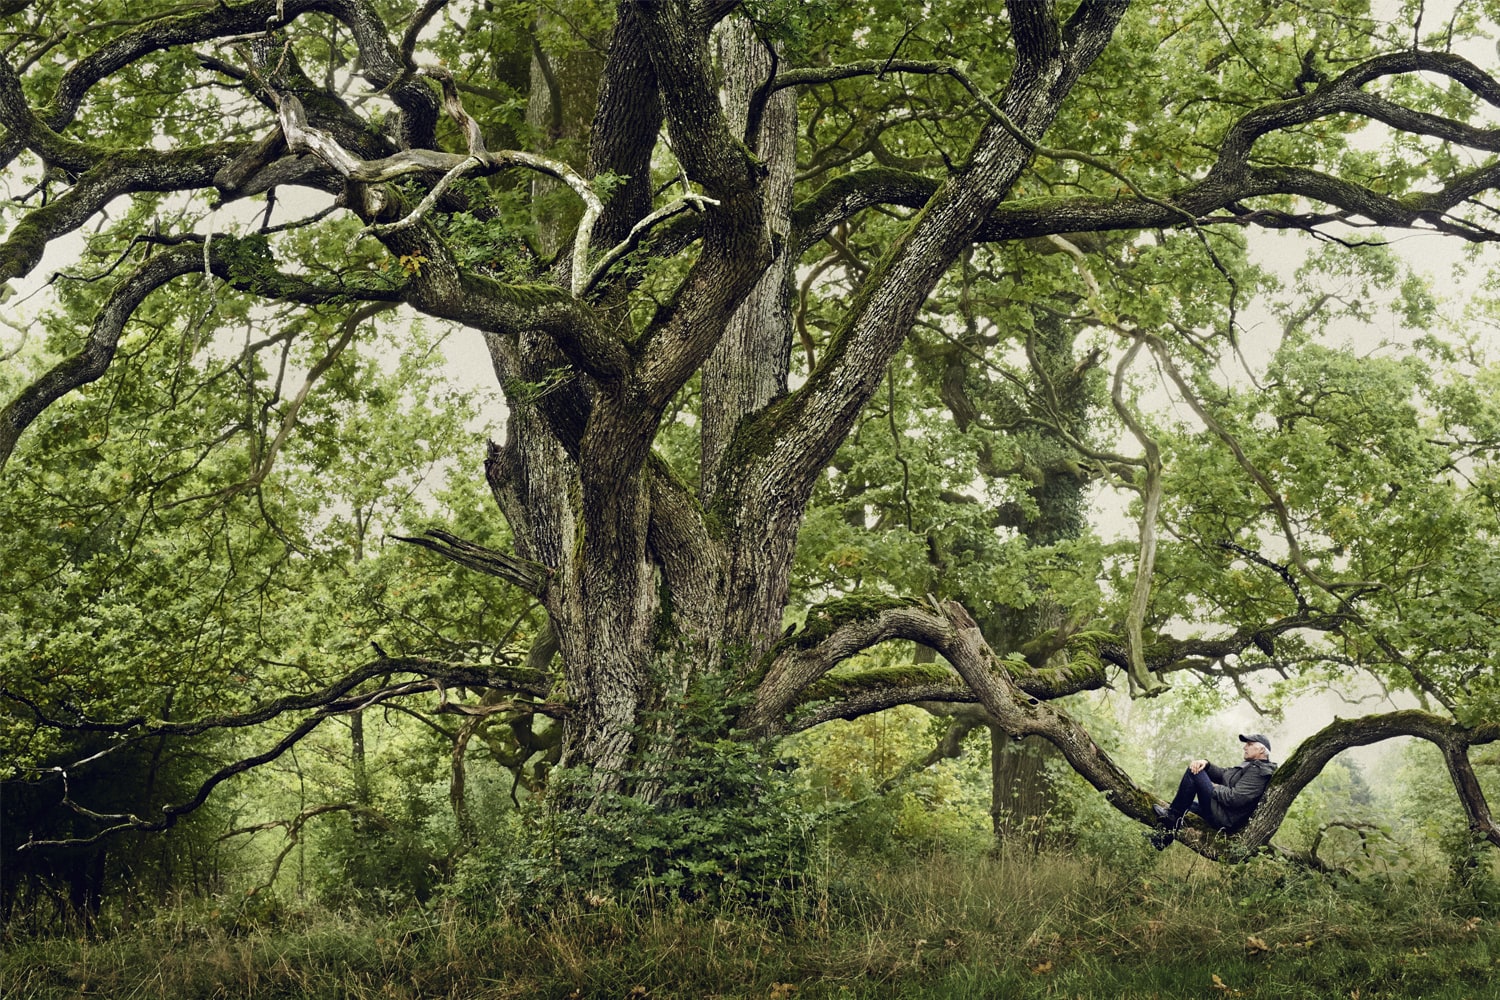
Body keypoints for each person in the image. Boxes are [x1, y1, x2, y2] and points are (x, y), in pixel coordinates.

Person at [1148, 733, 1277, 850]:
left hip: (1224, 818)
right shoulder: (1251, 765)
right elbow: (1224, 774)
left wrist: (1214, 787)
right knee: (1187, 805)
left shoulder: (1259, 772)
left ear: (1261, 749)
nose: (1245, 747)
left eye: (1249, 744)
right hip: (1221, 810)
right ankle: (1160, 840)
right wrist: (1206, 764)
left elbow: (1236, 798)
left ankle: (1171, 816)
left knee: (1194, 772)